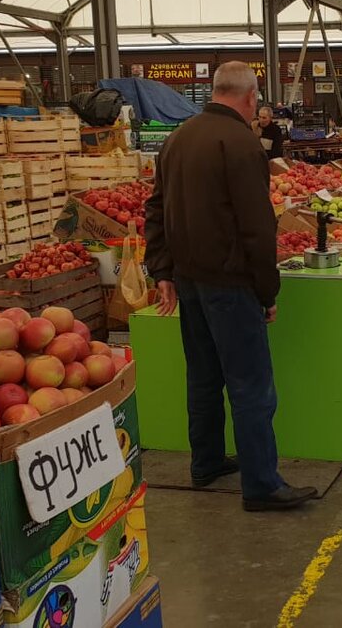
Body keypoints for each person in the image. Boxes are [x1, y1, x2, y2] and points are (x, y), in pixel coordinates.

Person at [144, 61, 317, 512]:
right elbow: (258, 229)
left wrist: (161, 271)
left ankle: (205, 462)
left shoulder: (177, 139)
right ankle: (261, 484)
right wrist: (267, 291)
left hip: (189, 281)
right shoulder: (241, 143)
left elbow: (155, 209)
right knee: (251, 385)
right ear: (250, 96)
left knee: (202, 376)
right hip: (230, 283)